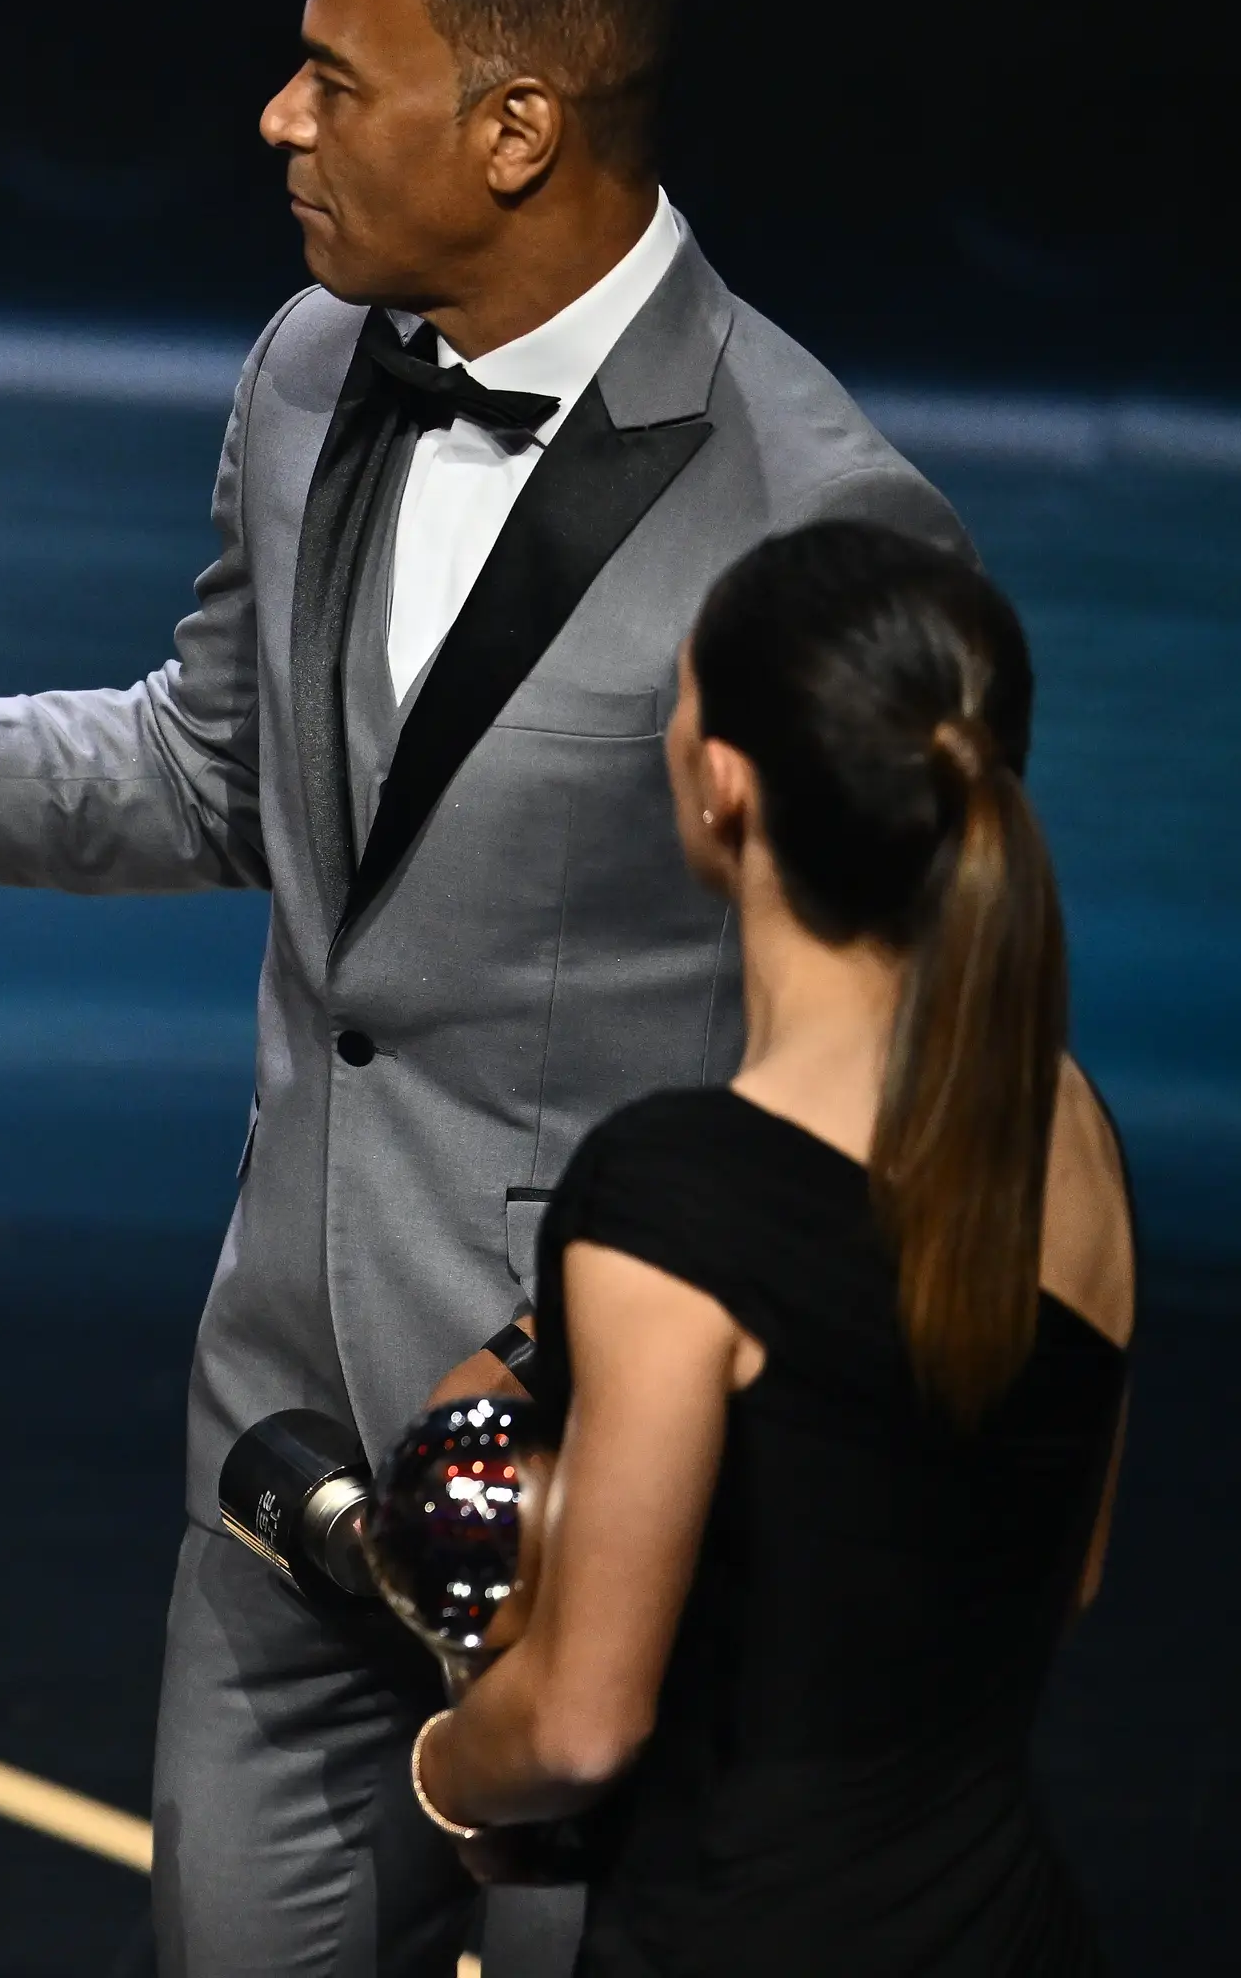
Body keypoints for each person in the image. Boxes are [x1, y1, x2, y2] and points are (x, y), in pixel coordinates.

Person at [0, 0, 968, 1977]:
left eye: (340, 78)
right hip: (278, 1450)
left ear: (516, 130)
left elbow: (886, 1083)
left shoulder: (823, 522)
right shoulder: (316, 367)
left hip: (600, 1509)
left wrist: (634, 1417)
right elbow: (217, 765)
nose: (279, 117)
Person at [411, 519, 1132, 1974]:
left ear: (723, 784)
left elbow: (576, 1722)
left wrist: (450, 1769)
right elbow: (1062, 1569)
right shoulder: (1069, 1130)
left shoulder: (676, 1194)